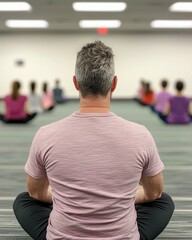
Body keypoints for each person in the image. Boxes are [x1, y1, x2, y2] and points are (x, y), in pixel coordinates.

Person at [13, 41, 174, 240]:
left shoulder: (45, 134)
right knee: (164, 201)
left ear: (75, 83)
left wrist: (69, 197)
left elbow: (36, 193)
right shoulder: (141, 135)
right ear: (114, 84)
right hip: (122, 235)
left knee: (23, 201)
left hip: (61, 236)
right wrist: (123, 197)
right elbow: (154, 193)